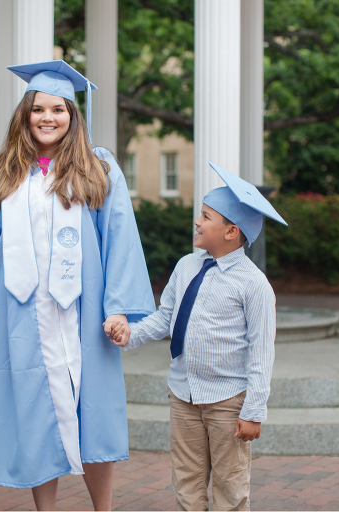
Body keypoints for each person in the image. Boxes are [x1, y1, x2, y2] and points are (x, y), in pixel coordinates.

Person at [0, 60, 155, 510]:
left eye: (58, 109)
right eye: (38, 109)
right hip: (22, 315)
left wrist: (119, 308)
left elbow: (121, 241)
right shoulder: (0, 174)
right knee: (33, 413)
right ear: (24, 115)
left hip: (85, 314)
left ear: (73, 116)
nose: (47, 118)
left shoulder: (99, 168)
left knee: (94, 415)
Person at [106, 163, 288, 511]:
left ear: (232, 231)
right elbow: (164, 318)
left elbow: (262, 353)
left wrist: (254, 411)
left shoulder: (253, 285)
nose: (197, 222)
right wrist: (130, 333)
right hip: (183, 393)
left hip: (227, 400)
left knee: (230, 486)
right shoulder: (187, 265)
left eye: (205, 216)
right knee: (186, 481)